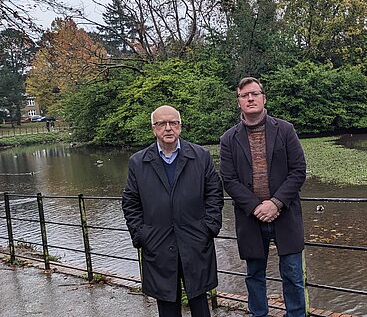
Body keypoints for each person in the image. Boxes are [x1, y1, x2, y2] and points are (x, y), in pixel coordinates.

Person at [122, 105, 223, 317]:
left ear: (180, 126)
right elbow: (130, 201)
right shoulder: (138, 162)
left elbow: (214, 193)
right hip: (158, 242)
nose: (168, 128)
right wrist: (142, 235)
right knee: (167, 305)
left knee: (200, 303)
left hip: (195, 240)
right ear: (153, 128)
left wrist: (209, 227)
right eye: (161, 124)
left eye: (173, 123)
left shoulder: (200, 156)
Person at [219, 77, 308, 317]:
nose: (250, 98)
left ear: (263, 98)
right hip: (251, 218)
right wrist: (257, 207)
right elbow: (229, 180)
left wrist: (275, 203)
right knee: (254, 276)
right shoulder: (228, 139)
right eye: (244, 95)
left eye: (254, 93)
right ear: (238, 102)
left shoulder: (285, 130)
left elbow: (299, 171)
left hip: (285, 215)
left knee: (293, 275)